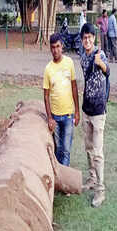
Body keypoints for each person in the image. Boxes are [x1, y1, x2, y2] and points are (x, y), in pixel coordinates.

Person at [79, 23, 110, 207]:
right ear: (82, 40)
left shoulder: (100, 55)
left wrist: (101, 64)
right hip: (86, 110)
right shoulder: (83, 57)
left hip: (98, 112)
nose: (87, 40)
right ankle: (92, 179)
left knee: (98, 153)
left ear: (94, 38)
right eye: (85, 38)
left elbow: (108, 71)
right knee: (88, 149)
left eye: (90, 37)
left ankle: (100, 190)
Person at [43, 33, 80, 168]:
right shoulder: (48, 69)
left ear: (62, 47)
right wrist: (49, 118)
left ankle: (64, 174)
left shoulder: (69, 63)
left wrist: (77, 112)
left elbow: (74, 87)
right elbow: (46, 95)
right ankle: (59, 176)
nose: (55, 50)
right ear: (50, 49)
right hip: (55, 117)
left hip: (69, 116)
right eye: (53, 47)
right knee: (58, 148)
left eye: (58, 46)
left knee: (66, 149)